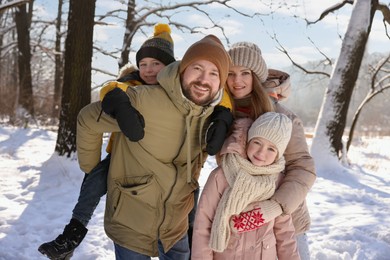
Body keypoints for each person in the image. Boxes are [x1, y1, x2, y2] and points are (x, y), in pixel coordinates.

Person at [75, 34, 232, 259]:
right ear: (182, 69)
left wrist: (225, 117)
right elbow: (87, 119)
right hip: (131, 224)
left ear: (220, 83)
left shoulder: (212, 117)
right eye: (197, 68)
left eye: (214, 73)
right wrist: (92, 169)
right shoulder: (146, 100)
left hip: (175, 227)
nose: (203, 79)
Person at [38, 23, 177, 259]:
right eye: (143, 64)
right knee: (93, 182)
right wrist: (113, 95)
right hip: (121, 157)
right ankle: (73, 232)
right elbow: (113, 90)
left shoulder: (175, 91)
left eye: (156, 64)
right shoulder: (132, 85)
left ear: (170, 67)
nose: (149, 69)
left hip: (157, 163)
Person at [224, 41, 316, 259]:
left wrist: (276, 207)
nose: (237, 81)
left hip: (286, 222)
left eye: (245, 73)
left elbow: (303, 168)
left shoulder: (283, 118)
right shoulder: (223, 114)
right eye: (230, 73)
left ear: (257, 76)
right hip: (241, 222)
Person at [192, 112, 300, 259]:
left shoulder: (278, 182)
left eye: (271, 149)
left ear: (278, 154)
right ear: (248, 140)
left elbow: (285, 233)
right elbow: (203, 226)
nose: (261, 152)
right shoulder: (222, 176)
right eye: (257, 142)